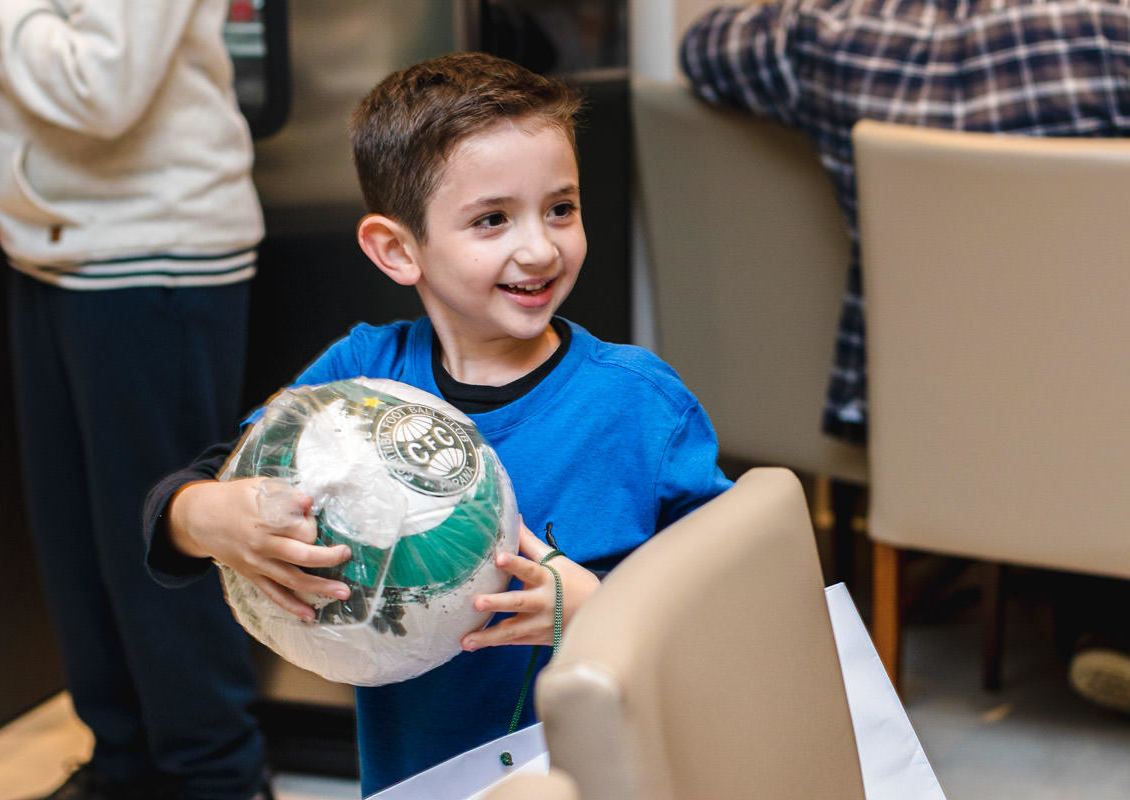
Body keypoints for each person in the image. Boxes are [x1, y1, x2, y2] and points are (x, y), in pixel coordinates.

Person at [141, 51, 734, 795]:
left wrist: (600, 609)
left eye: (561, 208)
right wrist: (204, 516)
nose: (540, 247)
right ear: (397, 249)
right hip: (418, 780)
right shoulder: (356, 379)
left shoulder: (641, 406)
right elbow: (195, 489)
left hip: (610, 775)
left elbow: (730, 604)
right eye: (493, 219)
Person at [681, 0, 1130, 714]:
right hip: (1102, 416)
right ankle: (1098, 616)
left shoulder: (828, 38)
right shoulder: (1107, 32)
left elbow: (703, 48)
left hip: (914, 417)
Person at [0, 2, 272, 799]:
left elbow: (100, 88)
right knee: (79, 542)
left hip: (154, 253)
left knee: (164, 544)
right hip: (52, 249)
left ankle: (220, 778)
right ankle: (124, 766)